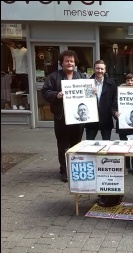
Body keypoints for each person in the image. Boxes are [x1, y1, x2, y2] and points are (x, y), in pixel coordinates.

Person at [41, 50, 85, 182]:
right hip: (62, 117)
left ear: (75, 62)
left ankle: (75, 169)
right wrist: (56, 95)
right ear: (62, 63)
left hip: (77, 119)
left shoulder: (81, 77)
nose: (70, 63)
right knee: (63, 145)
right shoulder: (54, 77)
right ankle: (64, 170)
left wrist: (92, 91)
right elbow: (44, 92)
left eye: (72, 61)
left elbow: (88, 96)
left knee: (76, 145)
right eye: (67, 61)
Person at [85, 60, 117, 140]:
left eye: (102, 69)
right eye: (97, 68)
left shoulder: (111, 83)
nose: (100, 71)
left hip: (106, 118)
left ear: (105, 70)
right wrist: (89, 92)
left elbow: (115, 100)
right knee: (89, 143)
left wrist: (115, 112)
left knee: (106, 144)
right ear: (94, 69)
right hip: (91, 118)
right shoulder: (86, 83)